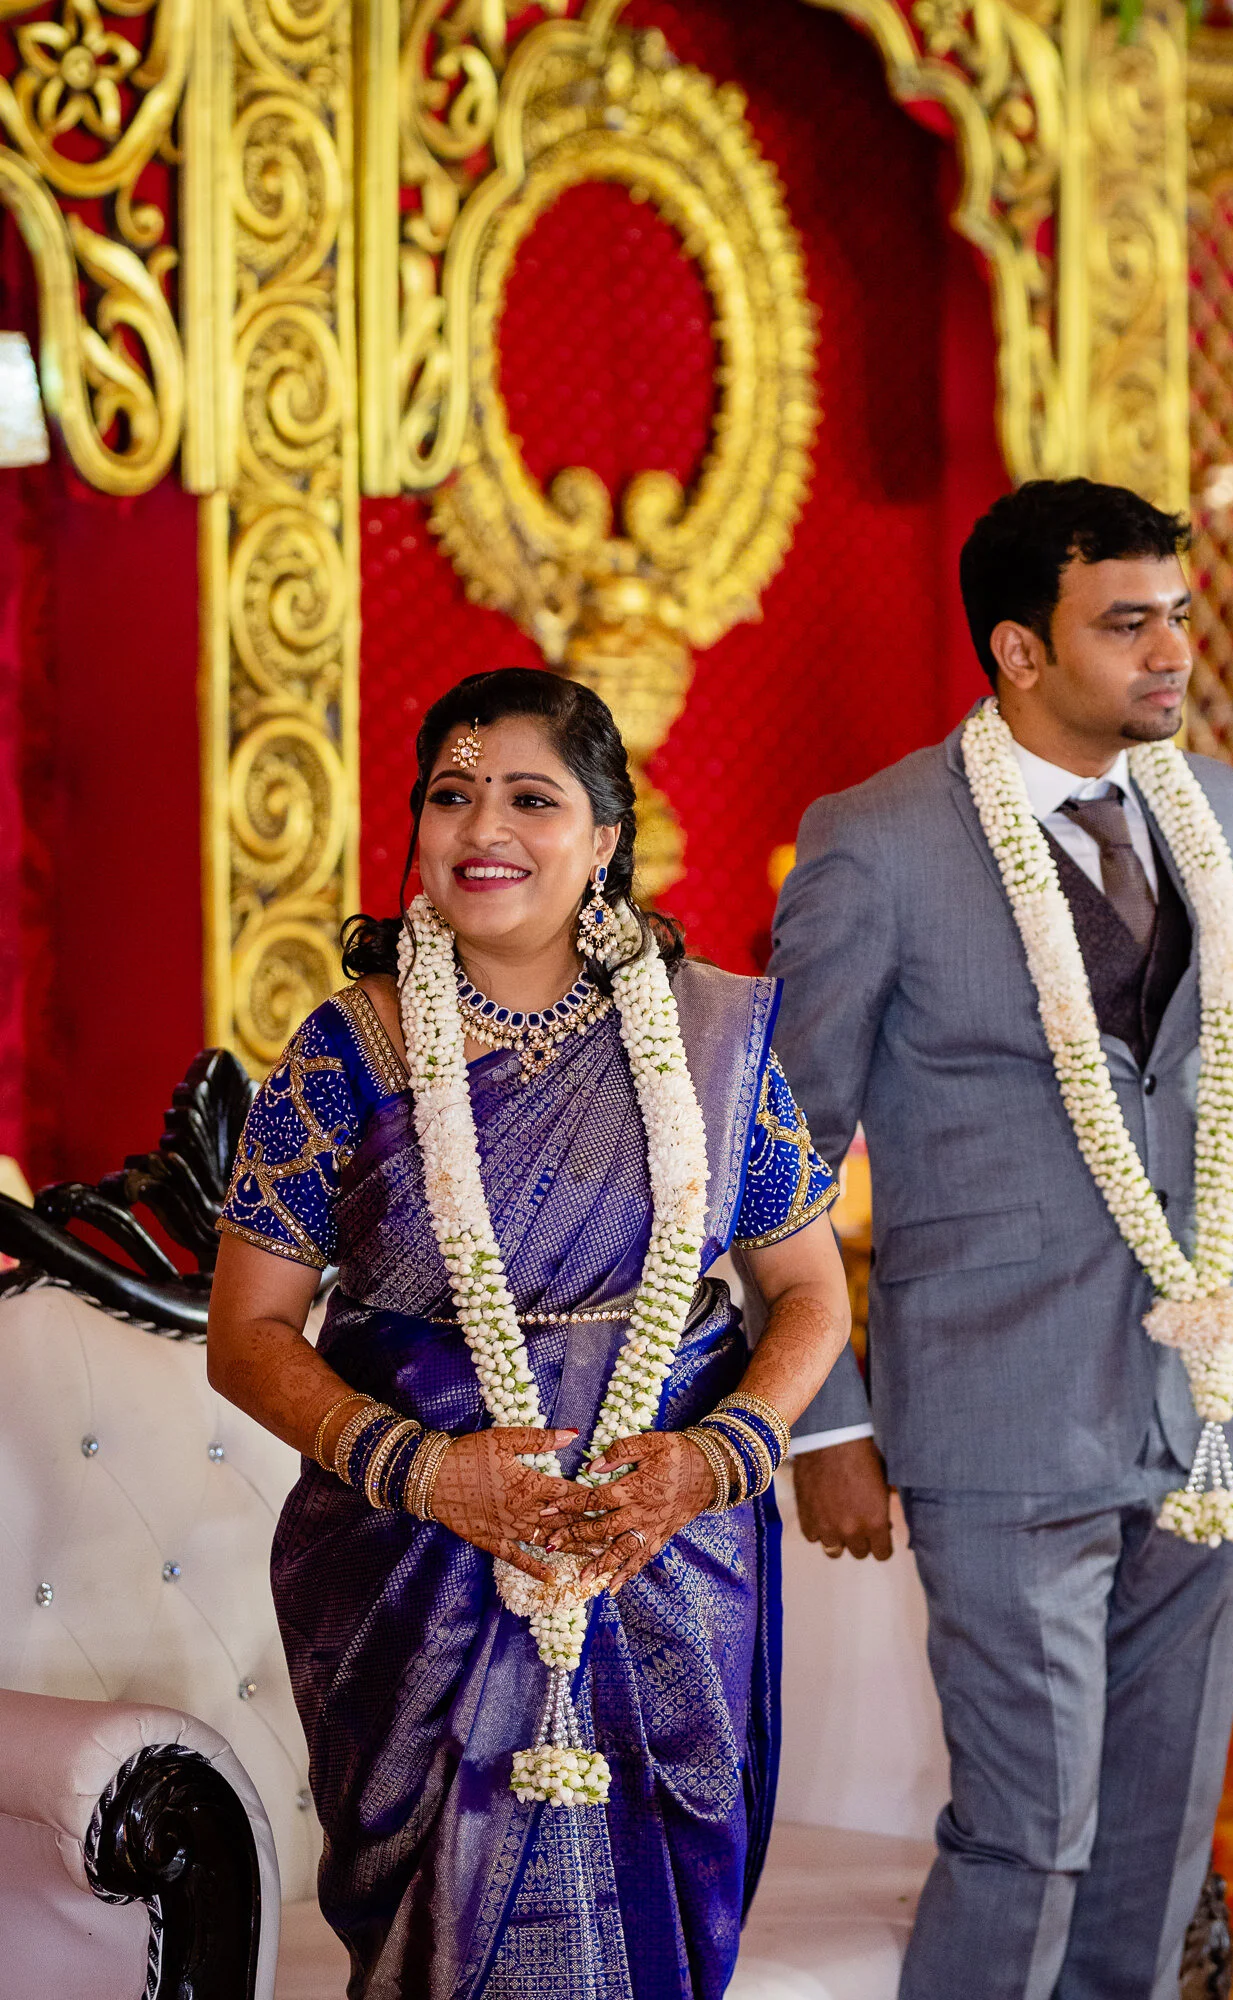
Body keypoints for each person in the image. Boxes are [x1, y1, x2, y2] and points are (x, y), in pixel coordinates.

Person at [769, 479, 1233, 2000]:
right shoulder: (873, 845)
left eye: (1180, 617)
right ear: (1021, 650)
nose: (1173, 654)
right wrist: (829, 1419)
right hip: (998, 1425)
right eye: (1128, 622)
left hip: (1206, 1426)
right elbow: (784, 1159)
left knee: (1152, 1852)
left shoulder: (1209, 807)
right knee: (1028, 1839)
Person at [207, 667, 850, 2000]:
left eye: (530, 798)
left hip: (667, 1554)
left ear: (605, 839)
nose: (481, 828)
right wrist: (427, 1473)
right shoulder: (345, 1053)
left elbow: (812, 1291)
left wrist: (711, 1461)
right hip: (414, 1569)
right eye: (451, 794)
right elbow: (248, 1332)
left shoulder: (717, 1042)